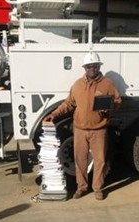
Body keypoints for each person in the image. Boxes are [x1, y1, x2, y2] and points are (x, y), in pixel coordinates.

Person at [43, 51, 122, 200]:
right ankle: (82, 187)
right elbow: (69, 103)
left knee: (100, 160)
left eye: (95, 66)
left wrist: (110, 107)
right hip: (79, 129)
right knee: (80, 160)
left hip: (99, 129)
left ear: (99, 67)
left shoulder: (108, 84)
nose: (92, 69)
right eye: (89, 66)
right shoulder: (77, 84)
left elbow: (117, 102)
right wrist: (54, 114)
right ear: (84, 68)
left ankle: (98, 188)